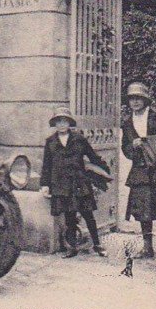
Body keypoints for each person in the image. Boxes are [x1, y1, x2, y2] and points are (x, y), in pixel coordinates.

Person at [40, 108, 109, 258]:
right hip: (61, 184)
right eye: (59, 121)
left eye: (65, 121)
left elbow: (93, 156)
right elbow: (46, 165)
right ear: (55, 124)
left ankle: (97, 245)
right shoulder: (50, 142)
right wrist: (45, 185)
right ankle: (72, 248)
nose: (62, 124)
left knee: (88, 214)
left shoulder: (79, 139)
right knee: (69, 217)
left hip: (79, 183)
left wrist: (105, 169)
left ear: (69, 123)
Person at [121, 82, 156, 259]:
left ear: (145, 100)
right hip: (140, 171)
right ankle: (148, 248)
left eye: (138, 98)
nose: (135, 102)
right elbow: (125, 149)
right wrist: (133, 145)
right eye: (132, 99)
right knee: (144, 211)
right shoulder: (128, 122)